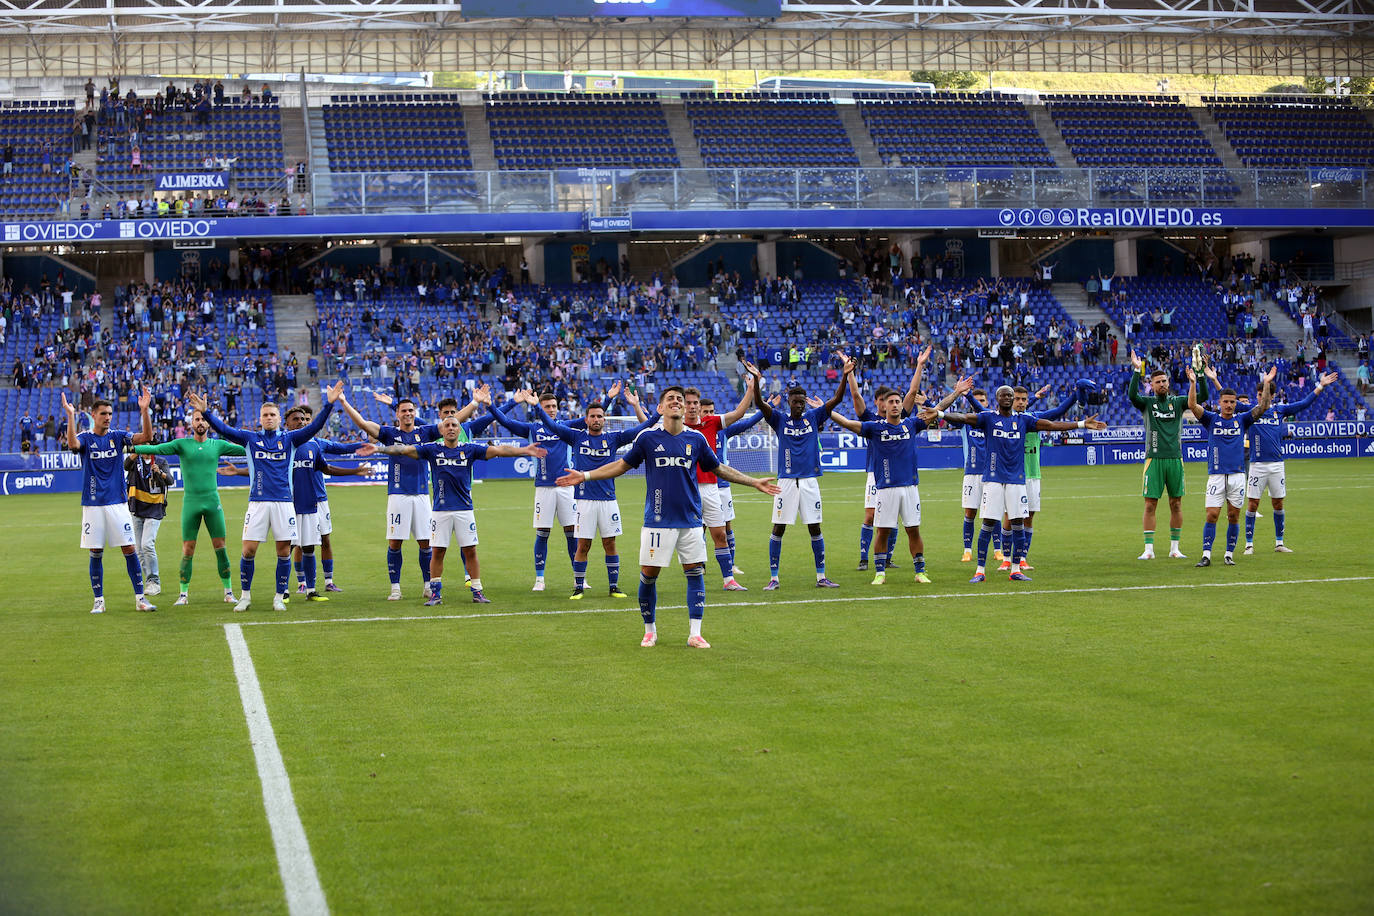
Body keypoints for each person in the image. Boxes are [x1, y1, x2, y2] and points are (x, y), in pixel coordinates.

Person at [556, 386, 780, 649]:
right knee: (649, 575)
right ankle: (650, 630)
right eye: (670, 399)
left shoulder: (696, 439)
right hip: (657, 522)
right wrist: (585, 475)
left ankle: (695, 633)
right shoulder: (647, 439)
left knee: (694, 573)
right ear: (661, 408)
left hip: (690, 521)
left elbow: (719, 468)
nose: (676, 402)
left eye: (680, 400)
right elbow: (620, 465)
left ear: (684, 409)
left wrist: (753, 482)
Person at [188, 381, 343, 612]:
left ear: (279, 418)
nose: (269, 418)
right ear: (260, 418)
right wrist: (206, 412)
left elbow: (314, 427)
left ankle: (279, 597)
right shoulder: (249, 439)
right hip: (258, 503)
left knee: (283, 552)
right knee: (248, 550)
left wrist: (329, 405)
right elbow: (224, 429)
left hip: (283, 504)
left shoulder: (290, 439)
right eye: (265, 415)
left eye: (272, 414)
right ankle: (246, 597)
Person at [932, 386, 1105, 582]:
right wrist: (939, 413)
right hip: (993, 479)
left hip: (1016, 481)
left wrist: (1080, 424)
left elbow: (1049, 425)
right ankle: (980, 570)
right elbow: (963, 418)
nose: (1007, 398)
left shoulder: (1023, 420)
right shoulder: (988, 418)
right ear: (997, 398)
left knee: (1017, 523)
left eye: (1010, 396)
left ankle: (1015, 569)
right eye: (1004, 395)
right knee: (988, 522)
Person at [368, 417, 546, 605]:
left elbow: (498, 450)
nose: (451, 428)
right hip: (440, 511)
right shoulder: (432, 449)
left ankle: (477, 590)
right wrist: (379, 448)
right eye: (447, 426)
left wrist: (524, 450)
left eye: (454, 425)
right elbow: (404, 449)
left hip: (464, 510)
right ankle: (435, 593)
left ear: (459, 429)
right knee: (437, 552)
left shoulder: (469, 449)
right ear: (442, 431)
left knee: (470, 551)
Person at [220, 405, 372, 600]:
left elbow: (334, 457)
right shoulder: (282, 444)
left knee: (309, 546)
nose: (301, 422)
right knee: (288, 548)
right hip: (288, 504)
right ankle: (284, 590)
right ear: (286, 423)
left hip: (310, 503)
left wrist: (361, 452)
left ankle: (311, 589)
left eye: (304, 419)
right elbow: (263, 469)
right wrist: (240, 471)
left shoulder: (314, 445)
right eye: (297, 419)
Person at [833, 373, 971, 586]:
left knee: (913, 530)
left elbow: (936, 410)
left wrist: (957, 392)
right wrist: (825, 411)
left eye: (898, 401)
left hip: (910, 488)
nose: (896, 405)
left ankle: (920, 571)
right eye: (891, 402)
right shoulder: (874, 428)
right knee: (883, 531)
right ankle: (880, 573)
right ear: (884, 407)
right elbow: (847, 422)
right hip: (886, 489)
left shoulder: (911, 425)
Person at [336, 393, 472, 600]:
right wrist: (344, 401)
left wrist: (475, 402)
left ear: (415, 413)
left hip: (422, 496)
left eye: (411, 410)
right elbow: (363, 424)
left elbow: (454, 420)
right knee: (395, 543)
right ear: (397, 414)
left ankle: (428, 585)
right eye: (403, 411)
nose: (407, 414)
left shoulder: (426, 432)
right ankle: (395, 588)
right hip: (397, 495)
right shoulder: (389, 434)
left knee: (426, 543)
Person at [526, 385, 657, 599]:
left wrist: (651, 410)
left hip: (608, 500)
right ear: (586, 419)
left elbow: (645, 428)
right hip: (584, 500)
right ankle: (578, 587)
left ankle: (613, 587)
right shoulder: (575, 437)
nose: (597, 419)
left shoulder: (615, 438)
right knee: (583, 544)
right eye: (593, 416)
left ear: (604, 419)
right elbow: (551, 424)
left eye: (600, 416)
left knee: (610, 543)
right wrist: (537, 409)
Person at [743, 353, 854, 590]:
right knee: (778, 528)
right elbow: (762, 406)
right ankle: (774, 578)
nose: (800, 403)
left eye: (802, 400)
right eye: (796, 400)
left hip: (810, 481)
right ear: (789, 401)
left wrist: (845, 375)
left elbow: (836, 399)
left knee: (815, 527)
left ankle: (821, 576)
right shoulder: (779, 419)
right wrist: (755, 383)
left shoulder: (813, 417)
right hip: (785, 482)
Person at [489, 387, 612, 591]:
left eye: (554, 406)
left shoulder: (566, 427)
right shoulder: (532, 428)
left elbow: (593, 417)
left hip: (567, 488)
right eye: (547, 406)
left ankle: (578, 578)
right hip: (544, 488)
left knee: (572, 534)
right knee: (543, 533)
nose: (551, 409)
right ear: (540, 408)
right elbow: (505, 422)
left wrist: (608, 397)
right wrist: (490, 405)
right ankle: (539, 579)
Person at [133, 409, 245, 606]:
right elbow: (158, 449)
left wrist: (266, 446)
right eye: (197, 419)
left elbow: (246, 449)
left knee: (220, 547)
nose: (200, 422)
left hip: (212, 502)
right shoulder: (182, 444)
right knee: (187, 550)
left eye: (203, 419)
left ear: (208, 424)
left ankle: (228, 592)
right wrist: (133, 449)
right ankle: (183, 594)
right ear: (191, 423)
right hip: (191, 503)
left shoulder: (217, 445)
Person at [62, 387, 157, 613]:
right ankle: (99, 601)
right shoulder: (86, 438)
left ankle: (141, 599)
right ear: (93, 415)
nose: (107, 417)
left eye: (110, 414)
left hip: (117, 503)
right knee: (95, 551)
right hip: (93, 504)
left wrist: (145, 411)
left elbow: (146, 438)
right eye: (103, 413)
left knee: (129, 548)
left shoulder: (118, 437)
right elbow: (72, 444)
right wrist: (70, 416)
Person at [1186, 365, 1274, 567]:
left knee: (1233, 515)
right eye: (1225, 401)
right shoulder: (1211, 419)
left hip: (1237, 476)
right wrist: (1193, 383)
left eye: (1232, 402)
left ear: (1236, 404)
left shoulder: (1242, 420)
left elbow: (1264, 407)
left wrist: (1267, 383)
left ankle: (1229, 554)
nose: (1228, 405)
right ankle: (1206, 554)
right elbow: (1192, 405)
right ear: (1219, 402)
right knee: (1212, 514)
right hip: (1216, 476)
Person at [1244, 370, 1338, 553]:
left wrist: (1320, 385)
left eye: (1264, 394)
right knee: (1253, 504)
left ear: (1272, 396)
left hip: (1277, 465)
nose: (1260, 397)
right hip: (1257, 465)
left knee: (1278, 503)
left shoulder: (1280, 410)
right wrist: (1214, 379)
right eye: (1258, 394)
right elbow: (1227, 400)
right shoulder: (1251, 412)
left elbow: (1304, 404)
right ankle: (1249, 544)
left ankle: (1279, 543)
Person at [1128, 349, 1207, 560]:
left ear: (1168, 383)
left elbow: (1204, 397)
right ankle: (1148, 549)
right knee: (1150, 504)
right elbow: (1131, 396)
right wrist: (1137, 370)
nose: (1162, 384)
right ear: (1151, 385)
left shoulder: (1179, 402)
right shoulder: (1147, 403)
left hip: (1175, 458)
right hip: (1154, 459)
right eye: (1157, 382)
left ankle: (1174, 548)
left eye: (1164, 381)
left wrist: (1198, 376)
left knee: (1176, 503)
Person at [996, 383, 1082, 572]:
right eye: (1016, 399)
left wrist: (1076, 394)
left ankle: (1023, 557)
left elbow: (1059, 412)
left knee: (1029, 516)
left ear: (1028, 402)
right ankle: (1007, 558)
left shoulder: (1034, 419)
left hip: (1033, 475)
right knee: (1010, 516)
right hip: (1012, 476)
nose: (1019, 402)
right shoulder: (1002, 420)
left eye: (1023, 399)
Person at [683, 384, 755, 590]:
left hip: (712, 487)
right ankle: (694, 577)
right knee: (692, 536)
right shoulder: (676, 427)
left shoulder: (711, 423)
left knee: (720, 534)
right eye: (688, 403)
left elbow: (739, 413)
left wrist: (750, 389)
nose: (692, 407)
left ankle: (728, 580)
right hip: (688, 488)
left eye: (695, 403)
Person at [700, 391, 767, 578]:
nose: (709, 414)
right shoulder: (694, 431)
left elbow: (746, 423)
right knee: (700, 528)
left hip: (722, 486)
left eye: (712, 411)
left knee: (727, 526)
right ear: (698, 411)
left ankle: (731, 564)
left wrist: (765, 407)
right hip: (702, 485)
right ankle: (700, 564)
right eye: (705, 411)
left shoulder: (722, 430)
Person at [124, 449, 172, 596]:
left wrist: (160, 472)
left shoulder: (160, 461)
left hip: (155, 508)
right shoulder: (134, 461)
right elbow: (126, 465)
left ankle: (154, 581)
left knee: (147, 545)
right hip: (137, 507)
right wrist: (135, 452)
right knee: (138, 549)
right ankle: (149, 582)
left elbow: (170, 480)